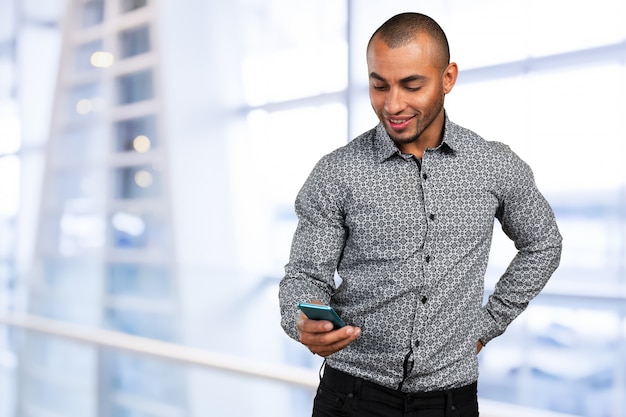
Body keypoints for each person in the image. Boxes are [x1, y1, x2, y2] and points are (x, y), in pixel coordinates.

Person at [279, 11, 562, 417]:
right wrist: (301, 320)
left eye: (412, 85)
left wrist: (487, 325)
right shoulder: (336, 172)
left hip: (450, 401)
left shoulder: (494, 164)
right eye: (379, 86)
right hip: (351, 397)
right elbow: (305, 275)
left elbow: (543, 244)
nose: (393, 104)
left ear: (448, 78)